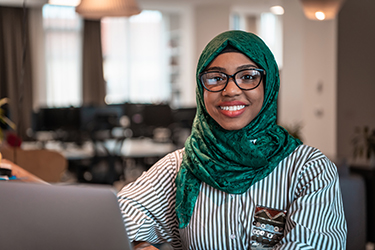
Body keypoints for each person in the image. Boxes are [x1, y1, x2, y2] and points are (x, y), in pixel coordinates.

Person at [117, 30, 347, 249]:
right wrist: (139, 245)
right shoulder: (181, 166)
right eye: (216, 78)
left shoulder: (308, 168)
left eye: (248, 77)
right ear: (201, 89)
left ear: (269, 86)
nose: (230, 90)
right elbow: (114, 219)